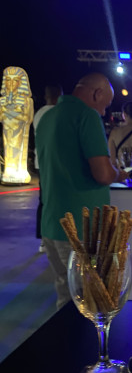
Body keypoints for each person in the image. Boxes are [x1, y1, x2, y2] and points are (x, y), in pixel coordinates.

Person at [35, 73, 129, 309]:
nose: (104, 112)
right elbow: (103, 174)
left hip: (51, 223)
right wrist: (118, 174)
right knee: (90, 302)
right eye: (105, 105)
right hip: (81, 227)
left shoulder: (47, 117)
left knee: (66, 295)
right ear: (97, 94)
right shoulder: (86, 116)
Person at [33, 84, 63, 253]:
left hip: (40, 162)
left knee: (44, 200)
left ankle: (43, 240)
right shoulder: (57, 113)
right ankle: (54, 237)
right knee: (56, 200)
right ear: (59, 95)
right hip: (54, 163)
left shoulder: (38, 114)